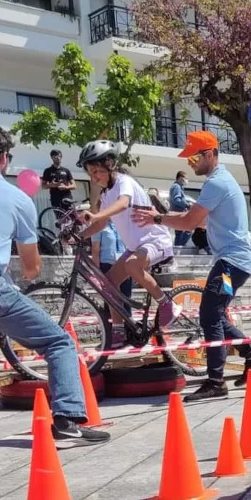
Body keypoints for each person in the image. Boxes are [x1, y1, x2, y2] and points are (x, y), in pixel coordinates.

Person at [0, 123, 110, 448]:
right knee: (59, 343)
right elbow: (31, 266)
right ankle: (67, 422)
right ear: (4, 160)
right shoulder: (16, 199)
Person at [131, 131, 251, 401]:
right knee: (217, 312)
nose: (191, 164)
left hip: (231, 264)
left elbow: (189, 223)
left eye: (194, 158)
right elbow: (197, 220)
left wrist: (157, 219)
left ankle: (215, 381)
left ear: (210, 154)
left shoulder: (217, 184)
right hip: (234, 263)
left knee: (210, 315)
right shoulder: (220, 181)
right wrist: (160, 217)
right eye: (189, 160)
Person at [77, 141, 179, 348]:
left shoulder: (125, 182)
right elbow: (101, 224)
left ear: (110, 164)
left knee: (133, 265)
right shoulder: (106, 195)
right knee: (108, 285)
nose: (94, 177)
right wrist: (78, 236)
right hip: (136, 247)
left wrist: (95, 214)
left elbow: (123, 203)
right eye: (90, 173)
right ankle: (118, 332)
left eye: (97, 171)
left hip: (155, 241)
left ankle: (167, 302)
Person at [90, 199, 132, 316]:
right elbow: (95, 250)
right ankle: (110, 330)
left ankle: (129, 330)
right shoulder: (98, 226)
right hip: (107, 266)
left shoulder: (122, 224)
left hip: (124, 264)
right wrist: (97, 272)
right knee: (111, 301)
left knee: (126, 299)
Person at [169, 171, 192, 246]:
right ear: (180, 178)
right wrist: (187, 205)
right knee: (187, 230)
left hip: (177, 213)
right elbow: (176, 200)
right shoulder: (177, 187)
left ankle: (178, 247)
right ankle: (179, 248)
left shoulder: (177, 187)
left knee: (180, 232)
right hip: (178, 213)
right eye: (185, 178)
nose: (186, 180)